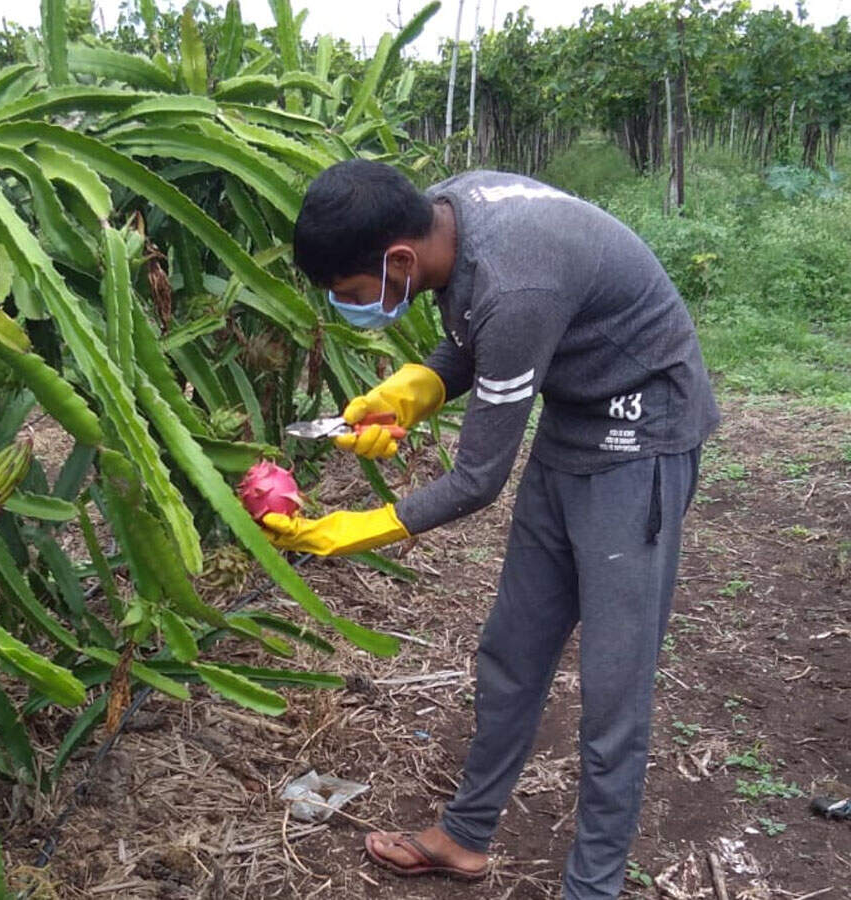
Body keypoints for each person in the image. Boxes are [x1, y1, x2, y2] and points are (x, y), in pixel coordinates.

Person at [260, 160, 720, 899]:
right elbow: (477, 335)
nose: (353, 307)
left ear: (399, 259)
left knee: (612, 691)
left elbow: (477, 479)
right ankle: (465, 837)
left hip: (643, 443)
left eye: (353, 294)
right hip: (575, 426)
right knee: (512, 649)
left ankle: (592, 887)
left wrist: (358, 529)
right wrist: (420, 386)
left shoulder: (517, 280)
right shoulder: (453, 212)